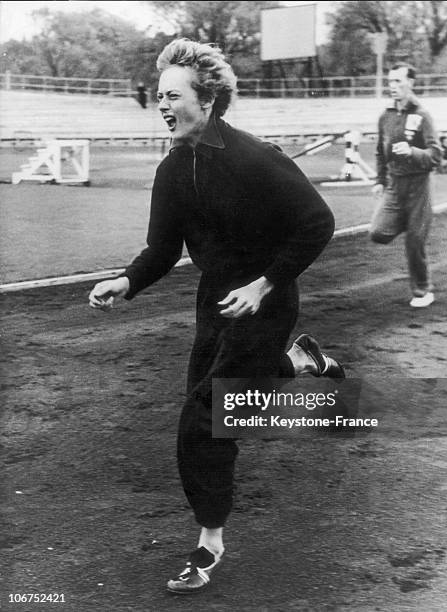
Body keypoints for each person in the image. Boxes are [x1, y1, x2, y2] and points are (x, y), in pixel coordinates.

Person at [89, 38, 344, 594]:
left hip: (266, 300)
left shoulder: (258, 159)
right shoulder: (173, 169)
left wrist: (264, 284)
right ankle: (301, 364)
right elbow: (162, 250)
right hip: (216, 303)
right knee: (229, 407)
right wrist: (127, 280)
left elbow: (317, 223)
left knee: (205, 418)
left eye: (172, 95)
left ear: (207, 101)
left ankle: (209, 546)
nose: (162, 105)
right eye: (159, 95)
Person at [370, 62, 441, 308]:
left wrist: (412, 152)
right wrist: (379, 180)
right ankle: (408, 223)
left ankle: (423, 292)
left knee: (415, 242)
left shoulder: (422, 115)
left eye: (398, 81)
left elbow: (436, 155)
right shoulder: (386, 116)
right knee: (377, 232)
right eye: (390, 81)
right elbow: (380, 150)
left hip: (418, 186)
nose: (393, 86)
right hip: (394, 185)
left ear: (411, 83)